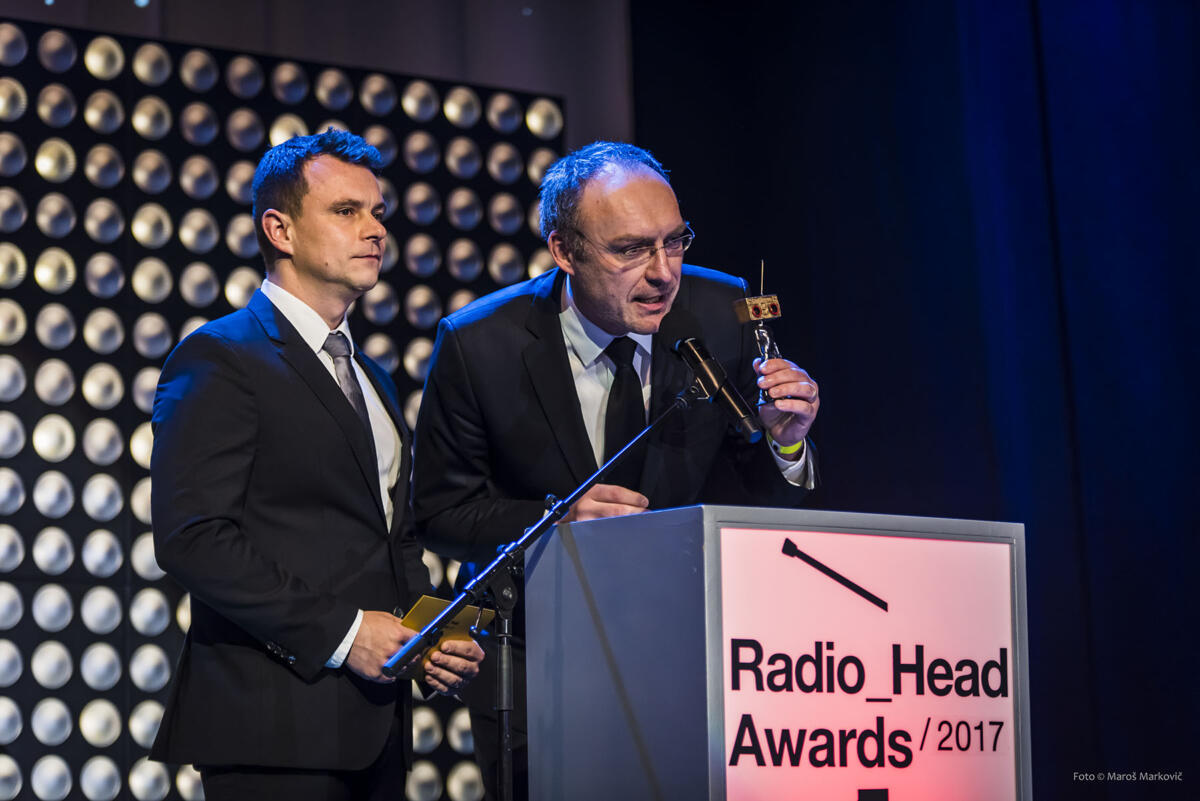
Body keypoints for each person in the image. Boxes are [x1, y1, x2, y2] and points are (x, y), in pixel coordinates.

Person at [412, 141, 820, 799]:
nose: (663, 273)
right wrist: (555, 523)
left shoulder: (720, 311)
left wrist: (786, 446)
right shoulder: (479, 343)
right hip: (537, 656)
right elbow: (440, 514)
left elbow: (753, 499)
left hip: (685, 648)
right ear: (564, 250)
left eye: (674, 241)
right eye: (630, 250)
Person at [149, 129, 484, 801]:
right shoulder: (221, 356)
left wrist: (428, 636)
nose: (374, 230)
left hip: (376, 728)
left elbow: (392, 536)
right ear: (280, 229)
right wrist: (347, 633)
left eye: (378, 213)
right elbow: (193, 537)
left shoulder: (373, 377)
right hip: (271, 730)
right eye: (346, 211)